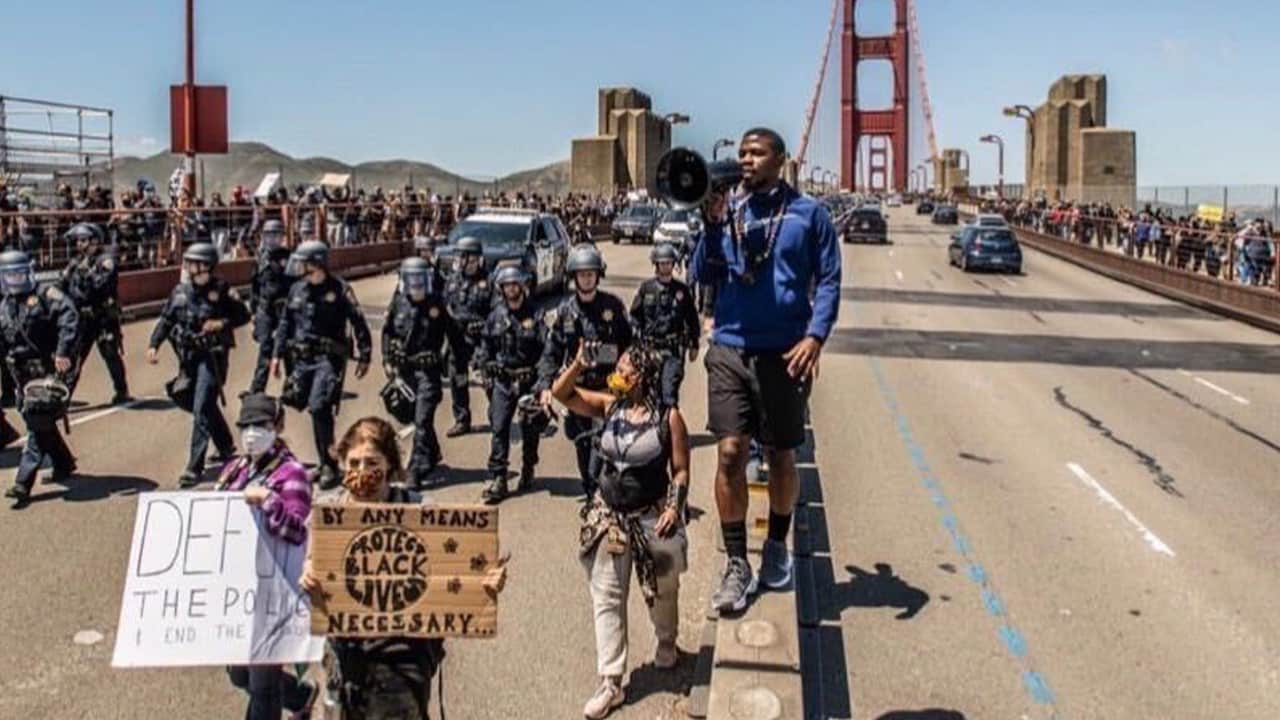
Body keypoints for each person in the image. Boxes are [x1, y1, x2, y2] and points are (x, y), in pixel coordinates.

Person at [689, 127, 840, 613]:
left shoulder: (808, 215)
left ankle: (777, 546)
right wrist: (711, 225)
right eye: (742, 154)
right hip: (731, 346)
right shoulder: (728, 209)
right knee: (730, 453)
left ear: (781, 159)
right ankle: (737, 563)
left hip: (784, 351)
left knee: (778, 454)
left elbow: (831, 279)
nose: (746, 161)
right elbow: (702, 274)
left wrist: (815, 335)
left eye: (757, 153)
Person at [300, 417, 508, 720]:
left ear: (389, 464)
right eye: (353, 462)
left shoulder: (420, 511)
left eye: (371, 462)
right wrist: (308, 573)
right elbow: (309, 563)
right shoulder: (327, 514)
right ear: (342, 463)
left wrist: (486, 581)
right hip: (345, 653)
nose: (362, 472)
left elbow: (460, 567)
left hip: (405, 652)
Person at [552, 342, 690, 719]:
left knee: (664, 589)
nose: (617, 375)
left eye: (625, 370)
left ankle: (667, 642)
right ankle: (610, 680)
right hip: (609, 517)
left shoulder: (669, 418)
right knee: (607, 595)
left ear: (641, 378)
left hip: (652, 517)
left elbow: (679, 470)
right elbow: (561, 393)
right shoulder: (608, 406)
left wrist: (675, 507)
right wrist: (578, 364)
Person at [217, 393, 319, 720]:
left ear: (277, 426)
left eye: (259, 425)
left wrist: (270, 502)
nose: (251, 432)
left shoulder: (292, 475)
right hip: (239, 592)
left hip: (273, 594)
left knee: (262, 686)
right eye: (245, 425)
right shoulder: (235, 468)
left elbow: (297, 531)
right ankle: (300, 696)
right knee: (240, 674)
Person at [147, 243, 252, 487]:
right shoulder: (180, 291)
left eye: (193, 263)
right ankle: (225, 443)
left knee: (202, 406)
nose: (188, 268)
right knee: (184, 396)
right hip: (189, 357)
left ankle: (194, 466)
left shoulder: (223, 290)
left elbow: (243, 315)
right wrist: (154, 344)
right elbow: (166, 318)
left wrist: (221, 323)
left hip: (212, 357)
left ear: (206, 266)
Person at [271, 240, 372, 489]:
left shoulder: (340, 289)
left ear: (317, 263)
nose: (301, 267)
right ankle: (323, 459)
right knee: (298, 402)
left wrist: (365, 353)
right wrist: (275, 355)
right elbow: (285, 324)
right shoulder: (296, 289)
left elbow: (358, 322)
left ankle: (329, 465)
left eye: (305, 262)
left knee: (320, 407)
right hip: (302, 359)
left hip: (329, 359)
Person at [536, 244, 633, 496]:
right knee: (582, 444)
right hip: (577, 392)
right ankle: (592, 492)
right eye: (582, 274)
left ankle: (602, 492)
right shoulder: (565, 312)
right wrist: (545, 385)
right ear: (574, 276)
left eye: (591, 273)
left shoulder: (613, 306)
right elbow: (551, 352)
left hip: (607, 390)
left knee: (603, 446)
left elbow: (630, 345)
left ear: (598, 275)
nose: (587, 278)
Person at [0, 250, 79, 508]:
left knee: (36, 422)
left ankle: (23, 483)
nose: (15, 279)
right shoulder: (4, 305)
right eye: (9, 275)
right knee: (36, 419)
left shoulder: (46, 296)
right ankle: (64, 462)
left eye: (19, 273)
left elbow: (69, 318)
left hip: (45, 371)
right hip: (20, 374)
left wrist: (63, 351)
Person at [381, 257, 465, 488]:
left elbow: (456, 337)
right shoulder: (398, 302)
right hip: (405, 372)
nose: (416, 283)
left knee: (422, 419)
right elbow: (387, 332)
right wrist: (387, 359)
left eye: (420, 278)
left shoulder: (437, 304)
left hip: (429, 373)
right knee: (408, 416)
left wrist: (458, 367)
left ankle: (415, 469)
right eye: (412, 278)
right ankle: (433, 451)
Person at [475, 266, 547, 503]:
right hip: (503, 381)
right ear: (502, 289)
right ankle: (499, 477)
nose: (512, 289)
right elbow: (484, 346)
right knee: (499, 427)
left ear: (522, 286)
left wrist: (542, 381)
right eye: (507, 285)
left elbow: (547, 349)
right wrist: (486, 366)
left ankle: (528, 466)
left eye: (515, 284)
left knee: (530, 427)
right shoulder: (495, 316)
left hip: (528, 381)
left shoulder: (536, 314)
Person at [59, 223, 130, 404]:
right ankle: (63, 396)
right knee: (74, 357)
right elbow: (62, 285)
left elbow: (100, 286)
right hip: (82, 319)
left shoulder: (106, 261)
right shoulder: (76, 262)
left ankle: (122, 391)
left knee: (110, 354)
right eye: (78, 241)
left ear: (95, 241)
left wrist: (87, 276)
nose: (79, 245)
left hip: (103, 317)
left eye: (83, 240)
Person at [628, 243, 700, 407]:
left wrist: (694, 344)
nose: (666, 266)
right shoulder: (646, 289)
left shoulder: (682, 290)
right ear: (656, 264)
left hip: (673, 350)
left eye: (669, 262)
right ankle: (654, 428)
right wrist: (635, 339)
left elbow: (692, 319)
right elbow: (634, 317)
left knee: (669, 394)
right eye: (662, 263)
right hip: (650, 350)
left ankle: (670, 428)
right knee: (647, 393)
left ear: (673, 264)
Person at [443, 235, 492, 438]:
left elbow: (498, 310)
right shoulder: (452, 281)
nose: (467, 264)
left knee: (489, 379)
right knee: (458, 379)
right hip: (458, 339)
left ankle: (498, 414)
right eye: (463, 259)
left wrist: (486, 326)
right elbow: (444, 306)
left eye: (471, 260)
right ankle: (462, 419)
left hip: (481, 339)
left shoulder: (488, 282)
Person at [246, 219, 292, 395]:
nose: (272, 239)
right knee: (265, 347)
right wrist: (253, 312)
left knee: (287, 346)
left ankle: (292, 385)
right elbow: (254, 287)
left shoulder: (288, 258)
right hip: (265, 308)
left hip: (284, 309)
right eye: (269, 235)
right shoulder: (260, 259)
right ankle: (257, 389)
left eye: (276, 235)